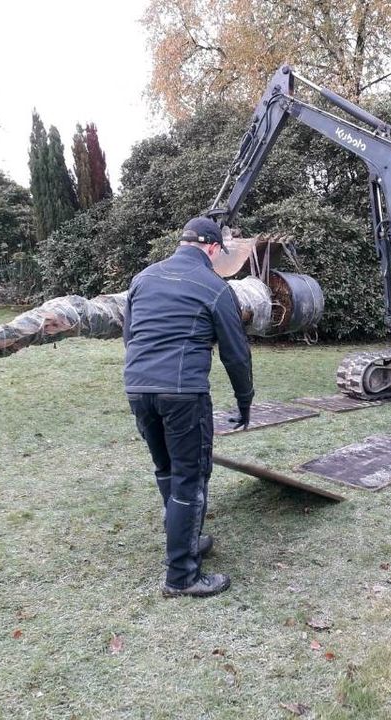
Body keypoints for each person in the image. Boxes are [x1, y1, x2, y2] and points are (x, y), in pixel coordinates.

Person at [123, 216, 254, 598]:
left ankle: (187, 540)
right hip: (183, 393)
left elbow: (130, 336)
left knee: (166, 469)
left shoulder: (143, 278)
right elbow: (236, 355)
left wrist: (143, 378)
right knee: (190, 478)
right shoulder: (215, 287)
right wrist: (245, 403)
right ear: (213, 248)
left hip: (138, 387)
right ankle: (182, 576)